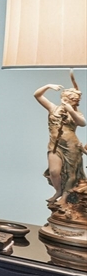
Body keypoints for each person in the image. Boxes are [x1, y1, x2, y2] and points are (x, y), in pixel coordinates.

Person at [34, 72, 86, 211]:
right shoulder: (53, 108)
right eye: (70, 99)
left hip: (71, 146)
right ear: (64, 98)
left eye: (74, 100)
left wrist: (71, 111)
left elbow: (82, 123)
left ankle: (64, 198)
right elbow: (37, 95)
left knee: (71, 173)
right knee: (54, 171)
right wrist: (48, 86)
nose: (72, 101)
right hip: (55, 145)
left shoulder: (76, 113)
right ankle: (58, 190)